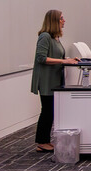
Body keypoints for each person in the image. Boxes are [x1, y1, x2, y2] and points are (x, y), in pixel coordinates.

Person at [32, 9, 78, 152]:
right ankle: (42, 142)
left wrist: (68, 60)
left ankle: (45, 140)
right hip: (46, 80)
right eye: (61, 19)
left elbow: (56, 57)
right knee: (47, 110)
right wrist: (64, 61)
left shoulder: (55, 38)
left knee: (51, 110)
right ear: (54, 21)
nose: (64, 21)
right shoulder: (45, 37)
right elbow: (41, 58)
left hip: (54, 79)